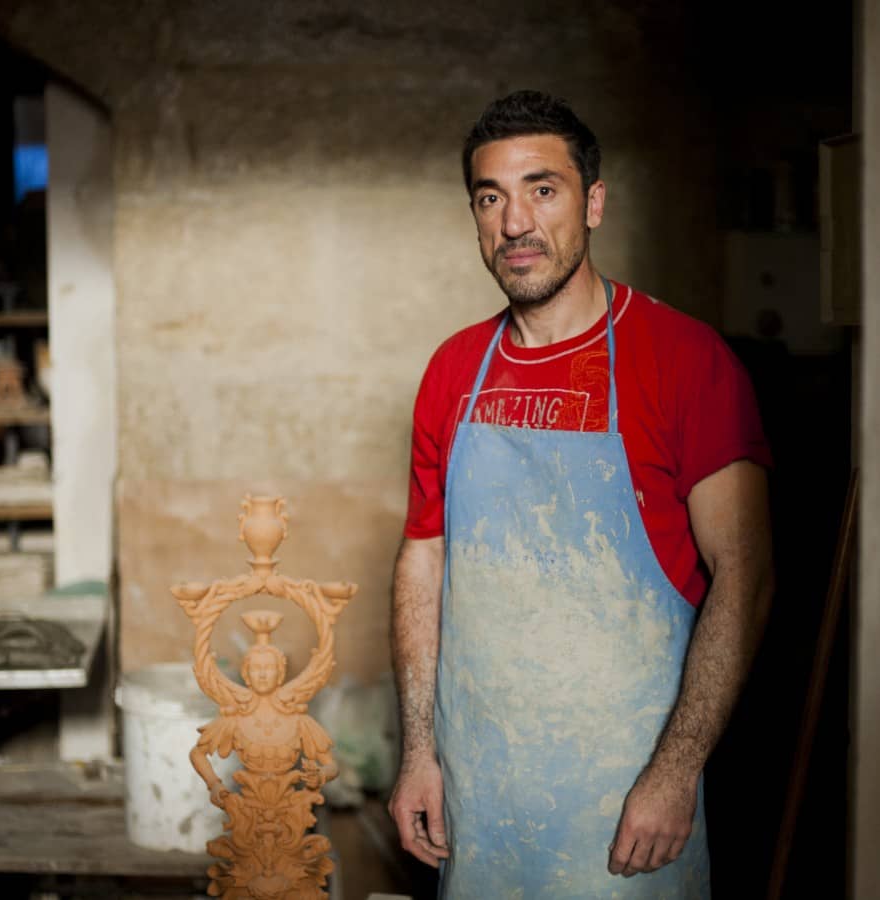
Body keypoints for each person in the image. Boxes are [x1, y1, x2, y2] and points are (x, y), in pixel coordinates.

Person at [387, 90, 774, 899]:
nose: (515, 223)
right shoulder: (454, 370)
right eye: (490, 198)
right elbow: (424, 560)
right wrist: (419, 752)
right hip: (479, 806)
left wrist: (677, 772)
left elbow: (746, 577)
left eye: (542, 189)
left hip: (627, 815)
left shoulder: (686, 361)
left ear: (593, 203)